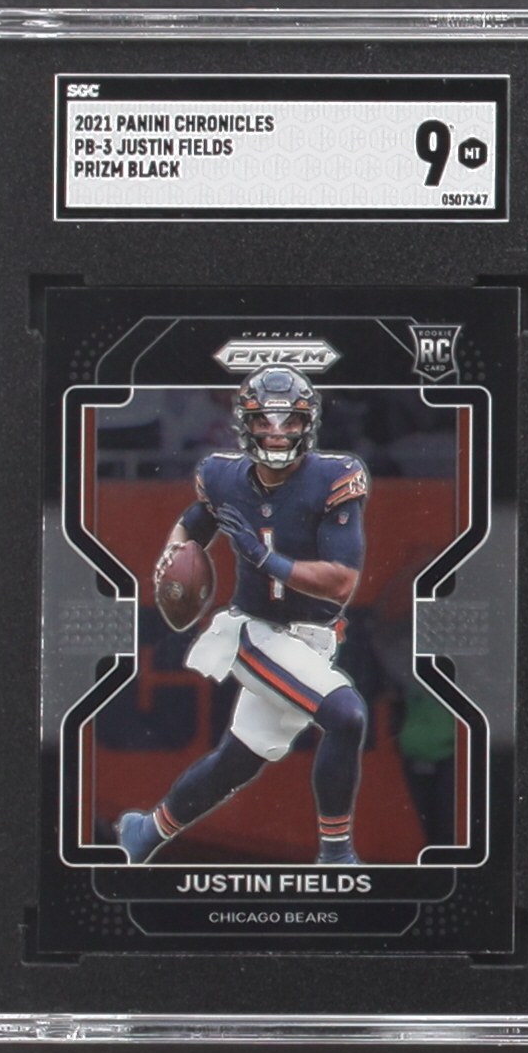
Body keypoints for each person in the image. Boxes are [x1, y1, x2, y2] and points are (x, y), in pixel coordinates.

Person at [115, 365, 369, 865]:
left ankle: (145, 831)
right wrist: (173, 556)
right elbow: (193, 524)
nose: (276, 433)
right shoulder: (221, 475)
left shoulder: (334, 477)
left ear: (307, 424)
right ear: (245, 424)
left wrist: (264, 558)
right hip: (254, 632)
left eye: (289, 421)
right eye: (264, 421)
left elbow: (341, 580)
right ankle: (336, 854)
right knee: (346, 715)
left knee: (235, 763)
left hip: (312, 639)